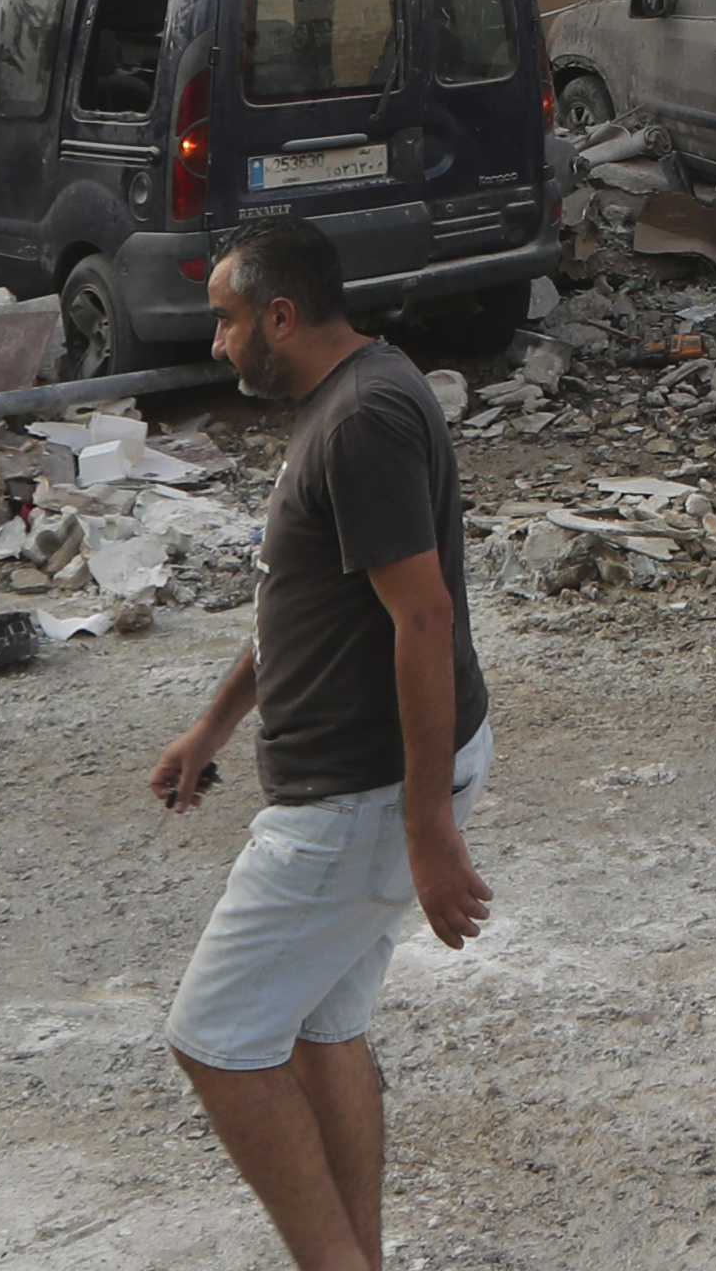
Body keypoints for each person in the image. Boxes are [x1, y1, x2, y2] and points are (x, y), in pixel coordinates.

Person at [151, 219, 493, 1271]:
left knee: (212, 1040)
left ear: (281, 317)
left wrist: (427, 827)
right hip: (363, 792)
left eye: (225, 320)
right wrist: (216, 722)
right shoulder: (360, 393)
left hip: (357, 799)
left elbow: (422, 619)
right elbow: (307, 605)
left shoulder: (361, 424)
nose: (217, 344)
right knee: (319, 1027)